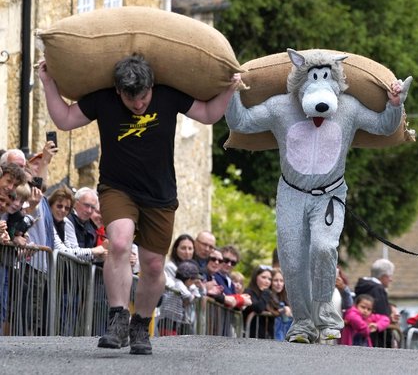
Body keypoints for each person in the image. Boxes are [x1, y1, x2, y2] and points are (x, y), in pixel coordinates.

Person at [38, 54, 240, 355]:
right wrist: (47, 83)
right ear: (119, 91)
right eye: (131, 99)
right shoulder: (104, 100)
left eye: (144, 98)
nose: (138, 105)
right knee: (118, 242)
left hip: (160, 194)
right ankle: (118, 317)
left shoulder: (168, 96)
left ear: (152, 87)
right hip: (117, 188)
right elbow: (65, 119)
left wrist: (230, 89)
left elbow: (209, 113)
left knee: (154, 264)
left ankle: (140, 325)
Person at [354, 258, 394, 347]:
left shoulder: (363, 286)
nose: (391, 279)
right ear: (383, 276)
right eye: (390, 276)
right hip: (374, 339)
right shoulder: (378, 290)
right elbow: (382, 314)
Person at [243, 265, 276, 339]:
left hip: (267, 337)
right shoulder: (249, 292)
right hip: (251, 336)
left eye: (269, 279)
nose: (267, 281)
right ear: (256, 277)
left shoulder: (269, 294)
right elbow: (258, 307)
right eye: (263, 277)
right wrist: (266, 293)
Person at [270, 268, 292, 341]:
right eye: (275, 280)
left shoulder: (285, 297)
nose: (279, 284)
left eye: (281, 281)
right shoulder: (266, 295)